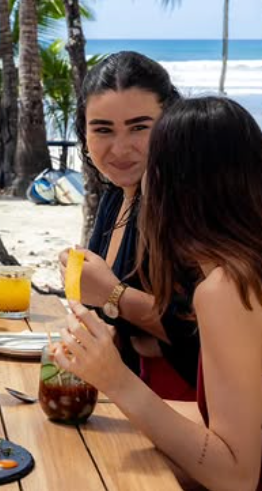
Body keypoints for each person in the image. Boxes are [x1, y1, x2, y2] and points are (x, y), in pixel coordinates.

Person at [55, 96, 262, 490]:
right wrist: (114, 400)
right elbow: (224, 421)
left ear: (169, 187)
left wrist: (117, 380)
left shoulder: (226, 291)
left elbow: (235, 477)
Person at [60, 51, 199, 400]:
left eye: (139, 128)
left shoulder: (187, 204)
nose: (120, 149)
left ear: (170, 124)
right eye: (103, 130)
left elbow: (206, 331)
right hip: (124, 395)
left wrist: (112, 294)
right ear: (84, 135)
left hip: (187, 407)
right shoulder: (115, 197)